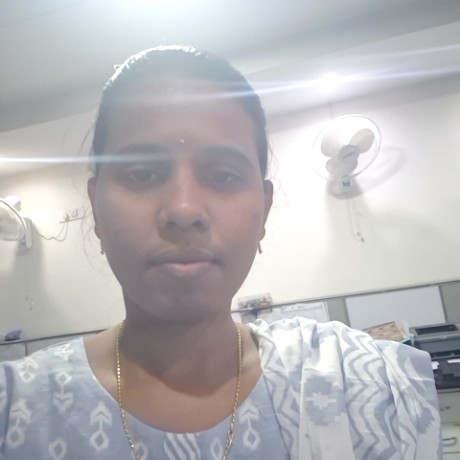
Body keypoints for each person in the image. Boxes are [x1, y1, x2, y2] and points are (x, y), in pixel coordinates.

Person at [0, 45, 441, 460]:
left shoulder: (367, 388)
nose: (184, 210)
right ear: (97, 207)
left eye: (224, 175)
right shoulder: (14, 408)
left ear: (264, 208)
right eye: (142, 173)